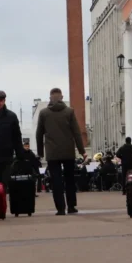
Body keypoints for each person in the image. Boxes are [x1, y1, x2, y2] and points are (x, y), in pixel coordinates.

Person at [35, 87, 86, 215]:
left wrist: (40, 152)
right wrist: (82, 151)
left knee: (56, 181)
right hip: (68, 151)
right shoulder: (69, 112)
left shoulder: (44, 113)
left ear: (50, 98)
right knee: (70, 180)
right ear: (62, 97)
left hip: (52, 153)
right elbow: (76, 133)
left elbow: (39, 134)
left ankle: (60, 208)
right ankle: (72, 207)